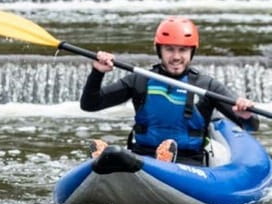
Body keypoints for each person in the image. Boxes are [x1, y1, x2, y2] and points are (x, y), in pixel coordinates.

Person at [81, 16, 259, 165]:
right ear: (160, 50)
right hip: (142, 156)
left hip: (187, 162)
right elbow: (90, 104)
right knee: (120, 156)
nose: (176, 57)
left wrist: (246, 115)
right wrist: (97, 73)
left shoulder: (207, 85)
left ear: (192, 52)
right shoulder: (140, 80)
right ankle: (105, 162)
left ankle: (158, 160)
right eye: (170, 50)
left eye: (182, 50)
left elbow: (252, 126)